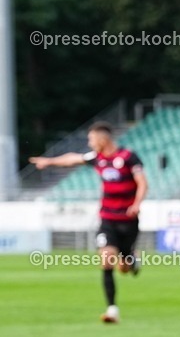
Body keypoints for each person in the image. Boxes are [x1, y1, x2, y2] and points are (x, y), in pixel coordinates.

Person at [30, 122, 146, 323]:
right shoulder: (97, 158)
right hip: (108, 218)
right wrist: (49, 162)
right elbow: (72, 159)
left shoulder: (128, 157)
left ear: (102, 139)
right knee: (107, 258)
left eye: (91, 139)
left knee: (124, 267)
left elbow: (143, 183)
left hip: (128, 220)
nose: (90, 144)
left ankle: (132, 262)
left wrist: (137, 203)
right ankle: (112, 309)